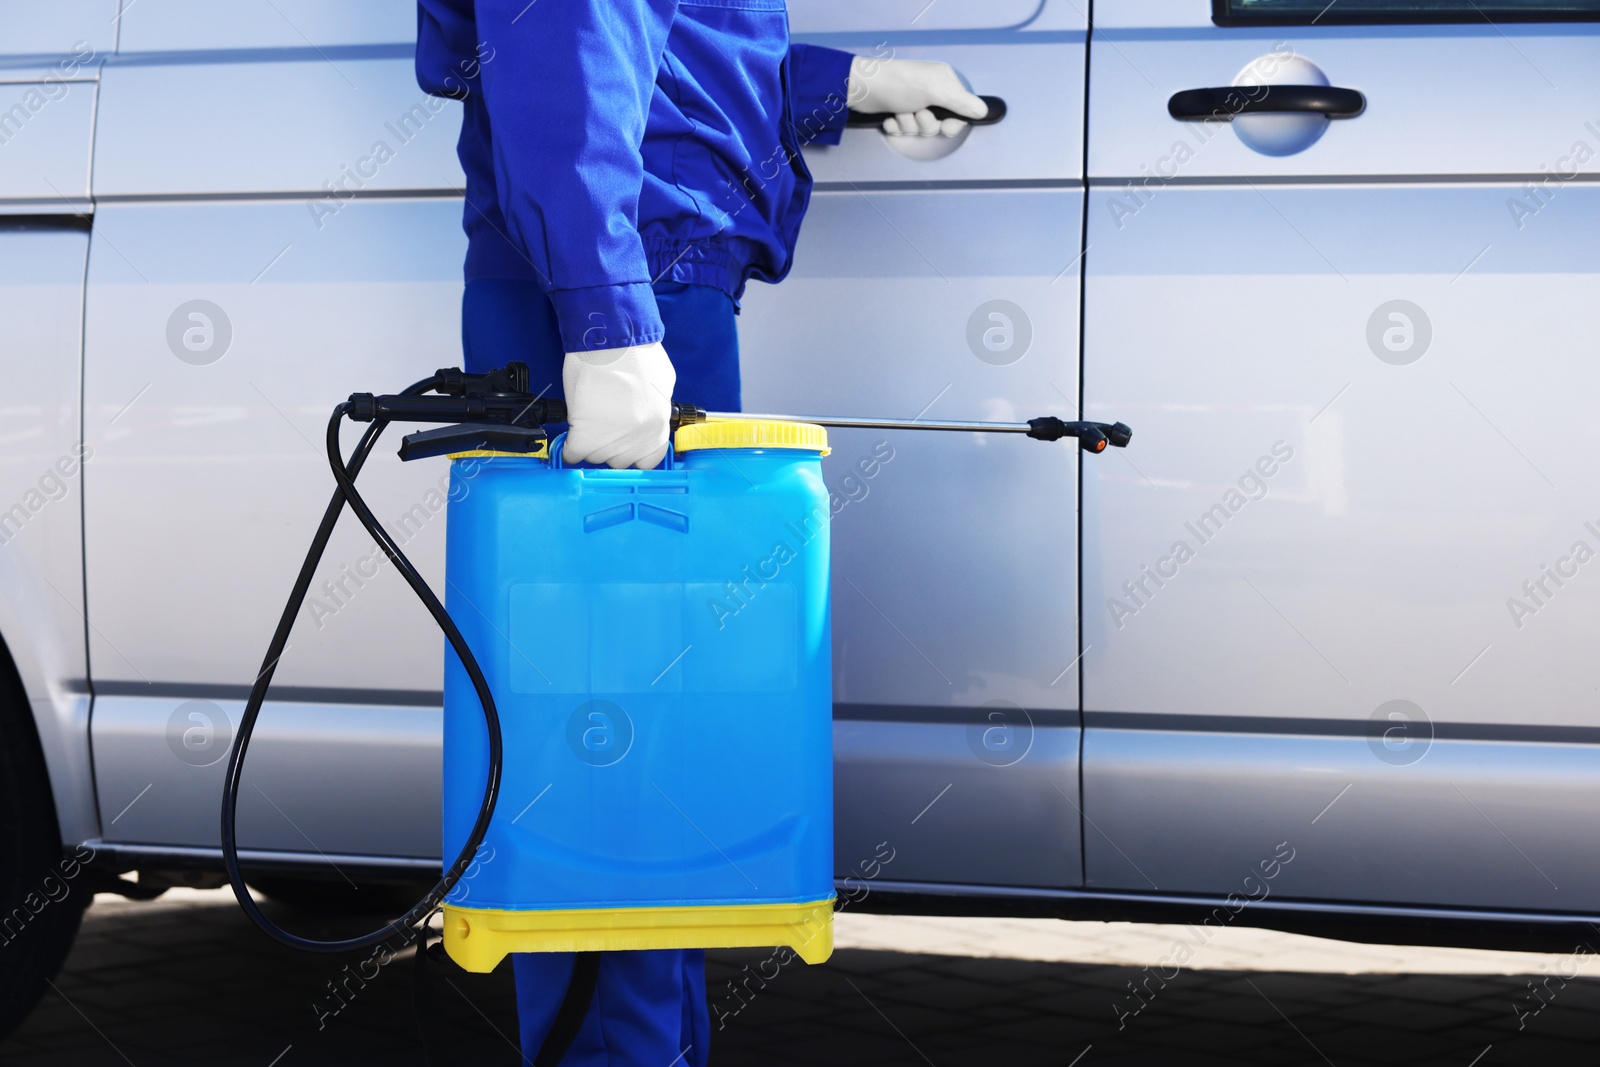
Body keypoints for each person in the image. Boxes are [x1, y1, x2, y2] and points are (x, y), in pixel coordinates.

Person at [416, 2, 985, 1062]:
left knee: (646, 744)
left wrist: (838, 83)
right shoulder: (611, 288)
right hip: (623, 272)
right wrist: (605, 316)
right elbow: (566, 30)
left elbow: (665, 38)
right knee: (613, 755)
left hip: (638, 263)